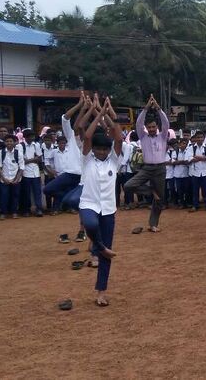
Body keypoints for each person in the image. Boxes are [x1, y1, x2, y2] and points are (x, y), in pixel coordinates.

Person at [79, 96, 123, 307]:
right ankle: (98, 246)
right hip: (88, 205)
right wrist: (99, 116)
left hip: (108, 209)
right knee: (90, 224)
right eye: (99, 148)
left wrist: (109, 114)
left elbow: (119, 138)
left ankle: (101, 292)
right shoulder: (87, 159)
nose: (102, 152)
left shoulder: (114, 161)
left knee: (107, 255)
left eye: (105, 149)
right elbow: (87, 136)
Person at [124, 95, 170, 233]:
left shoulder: (162, 136)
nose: (151, 129)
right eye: (149, 127)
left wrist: (158, 108)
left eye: (153, 127)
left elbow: (166, 122)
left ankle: (153, 224)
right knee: (128, 185)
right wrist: (145, 109)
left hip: (160, 169)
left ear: (157, 127)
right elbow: (138, 123)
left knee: (160, 200)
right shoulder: (143, 136)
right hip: (147, 168)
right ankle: (150, 192)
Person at [0, 134, 23, 220]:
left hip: (16, 179)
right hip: (4, 179)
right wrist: (3, 178)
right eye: (7, 141)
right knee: (4, 196)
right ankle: (3, 213)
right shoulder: (1, 153)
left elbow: (21, 167)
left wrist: (17, 179)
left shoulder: (18, 153)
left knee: (15, 196)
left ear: (14, 142)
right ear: (4, 143)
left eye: (11, 141)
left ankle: (14, 212)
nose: (9, 143)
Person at [18, 128, 44, 217]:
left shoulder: (36, 145)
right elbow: (21, 161)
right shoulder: (20, 146)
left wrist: (30, 160)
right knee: (26, 192)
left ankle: (39, 209)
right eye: (30, 136)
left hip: (35, 172)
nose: (32, 138)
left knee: (37, 192)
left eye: (32, 136)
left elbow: (40, 159)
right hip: (25, 173)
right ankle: (26, 210)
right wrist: (34, 159)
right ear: (25, 137)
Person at [186, 130, 206, 212]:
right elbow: (189, 159)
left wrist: (196, 157)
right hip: (195, 172)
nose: (199, 139)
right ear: (195, 138)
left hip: (205, 171)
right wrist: (202, 158)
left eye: (201, 137)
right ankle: (195, 205)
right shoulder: (191, 147)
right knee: (195, 189)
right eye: (198, 137)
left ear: (204, 138)